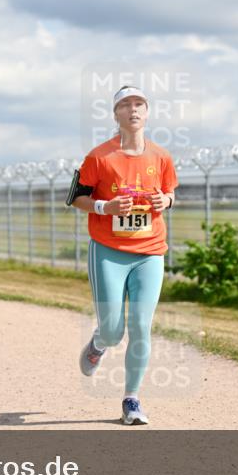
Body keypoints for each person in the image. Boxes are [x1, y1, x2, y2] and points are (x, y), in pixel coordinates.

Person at [68, 85, 178, 426]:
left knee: (142, 327)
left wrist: (167, 201)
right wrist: (106, 206)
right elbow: (76, 197)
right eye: (125, 105)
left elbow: (170, 191)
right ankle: (99, 344)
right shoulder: (99, 157)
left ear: (147, 112)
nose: (133, 110)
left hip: (150, 252)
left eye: (139, 104)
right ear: (115, 114)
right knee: (114, 331)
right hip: (109, 251)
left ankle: (131, 400)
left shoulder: (161, 156)